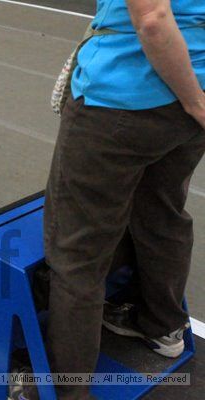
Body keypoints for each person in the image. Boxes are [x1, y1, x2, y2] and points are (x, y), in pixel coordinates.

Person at [38, 1, 205, 399]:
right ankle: (163, 327)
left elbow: (152, 19)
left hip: (123, 101)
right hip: (193, 94)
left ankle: (69, 390)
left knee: (77, 254)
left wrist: (192, 100)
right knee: (162, 214)